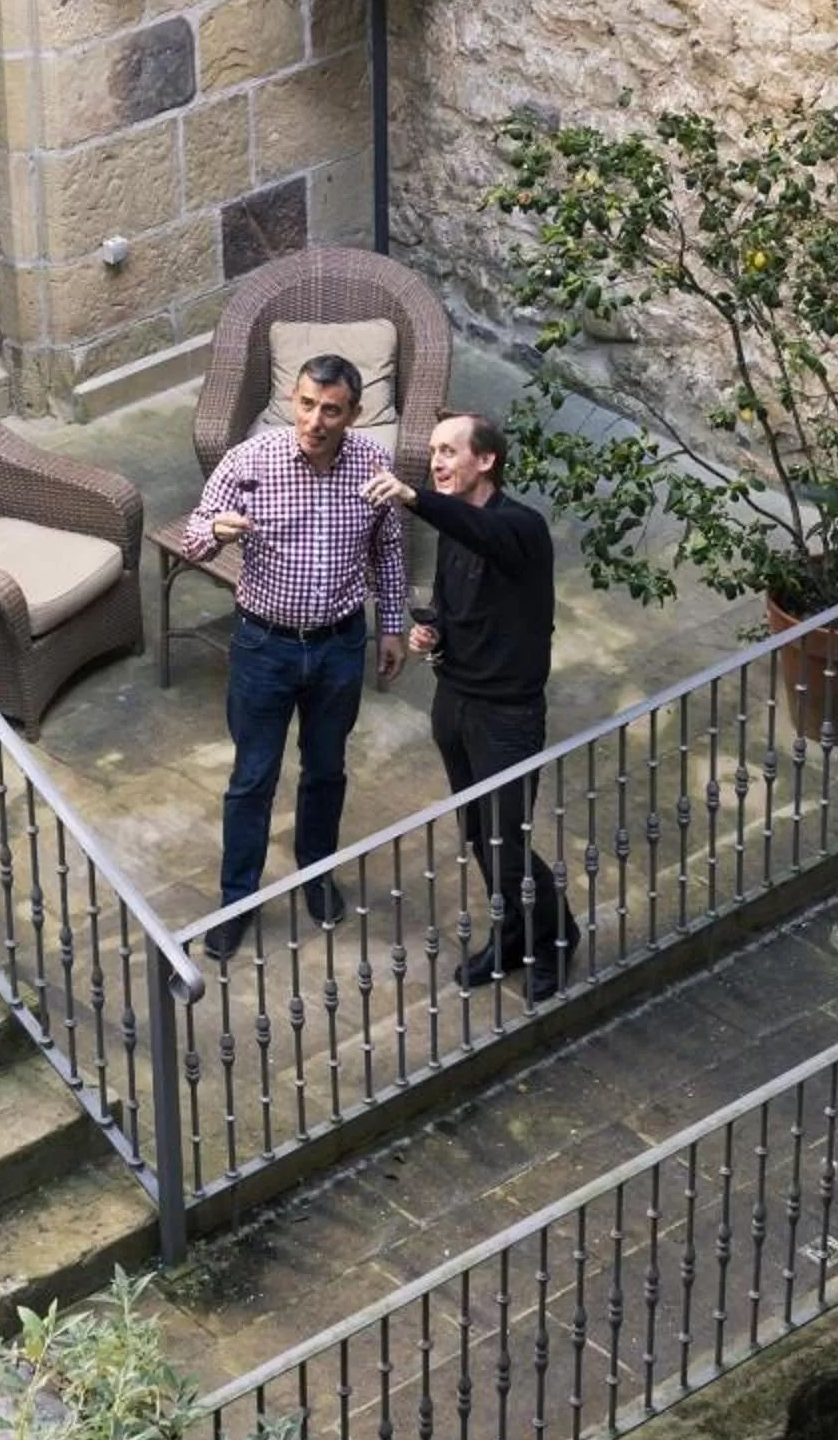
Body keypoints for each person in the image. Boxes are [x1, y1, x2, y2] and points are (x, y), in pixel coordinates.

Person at [182, 353, 408, 955]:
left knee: (326, 769)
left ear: (353, 415)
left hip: (339, 646)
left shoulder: (371, 464)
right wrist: (216, 534)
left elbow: (387, 548)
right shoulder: (250, 460)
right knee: (252, 778)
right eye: (306, 404)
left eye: (330, 410)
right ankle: (239, 901)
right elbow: (194, 537)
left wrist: (391, 626)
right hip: (264, 647)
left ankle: (316, 874)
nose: (314, 420)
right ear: (293, 400)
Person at [363, 412, 575, 1003]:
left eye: (449, 452)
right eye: (432, 452)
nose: (436, 462)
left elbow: (485, 536)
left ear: (486, 460)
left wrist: (412, 497)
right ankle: (510, 939)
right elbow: (454, 604)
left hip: (506, 716)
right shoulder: (457, 532)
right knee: (481, 837)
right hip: (455, 702)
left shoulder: (521, 528)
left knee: (508, 844)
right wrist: (432, 635)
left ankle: (554, 938)